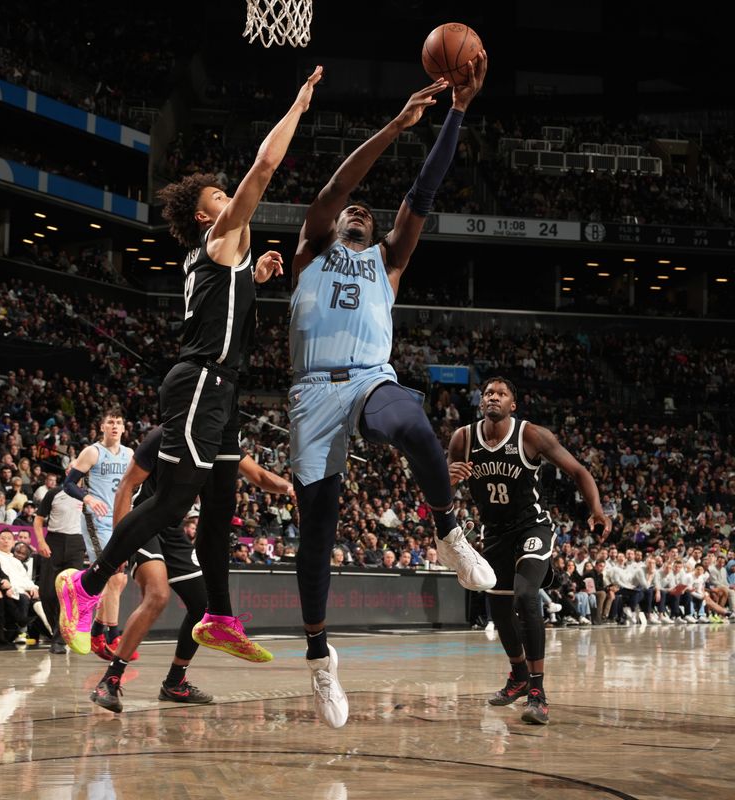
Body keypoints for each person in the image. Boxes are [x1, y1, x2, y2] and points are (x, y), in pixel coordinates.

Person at [57, 67, 323, 657]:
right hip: (201, 381)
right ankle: (85, 583)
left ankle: (220, 618)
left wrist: (254, 277)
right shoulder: (219, 236)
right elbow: (264, 167)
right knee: (174, 502)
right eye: (220, 197)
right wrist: (299, 105)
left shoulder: (221, 260)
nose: (232, 200)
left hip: (221, 388)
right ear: (207, 217)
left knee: (223, 499)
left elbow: (220, 304)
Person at [287, 62, 492, 728]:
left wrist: (457, 112)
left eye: (366, 217)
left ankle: (448, 531)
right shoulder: (313, 247)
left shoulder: (389, 262)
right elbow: (337, 185)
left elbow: (424, 189)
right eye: (352, 213)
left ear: (377, 235)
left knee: (411, 423)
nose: (356, 214)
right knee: (315, 531)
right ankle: (320, 658)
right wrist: (395, 125)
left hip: (372, 376)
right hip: (312, 393)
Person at [89, 424, 295, 713]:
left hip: (173, 529)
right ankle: (109, 680)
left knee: (204, 608)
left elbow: (259, 475)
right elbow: (126, 486)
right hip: (144, 522)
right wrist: (118, 544)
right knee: (158, 595)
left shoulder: (221, 439)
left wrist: (288, 487)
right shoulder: (165, 434)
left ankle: (175, 682)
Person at [448, 377, 610, 725]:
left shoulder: (531, 435)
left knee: (526, 593)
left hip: (532, 527)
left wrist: (596, 508)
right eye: (488, 393)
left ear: (513, 405)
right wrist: (448, 480)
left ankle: (538, 691)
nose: (493, 397)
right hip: (494, 534)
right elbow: (442, 491)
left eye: (501, 394)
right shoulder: (462, 438)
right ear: (481, 402)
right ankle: (519, 676)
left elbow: (578, 470)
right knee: (500, 609)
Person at [61, 407, 134, 659]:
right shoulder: (92, 451)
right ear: (102, 427)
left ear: (124, 428)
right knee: (113, 577)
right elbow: (68, 484)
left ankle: (96, 629)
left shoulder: (130, 454)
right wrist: (88, 497)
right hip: (97, 521)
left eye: (119, 422)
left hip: (121, 520)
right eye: (110, 422)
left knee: (120, 580)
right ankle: (114, 637)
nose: (115, 426)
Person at [33, 465, 85, 654]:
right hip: (53, 541)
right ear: (67, 472)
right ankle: (57, 628)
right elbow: (38, 520)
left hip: (76, 544)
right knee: (47, 592)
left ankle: (60, 639)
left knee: (70, 592)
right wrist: (41, 542)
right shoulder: (54, 493)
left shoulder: (87, 495)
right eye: (72, 468)